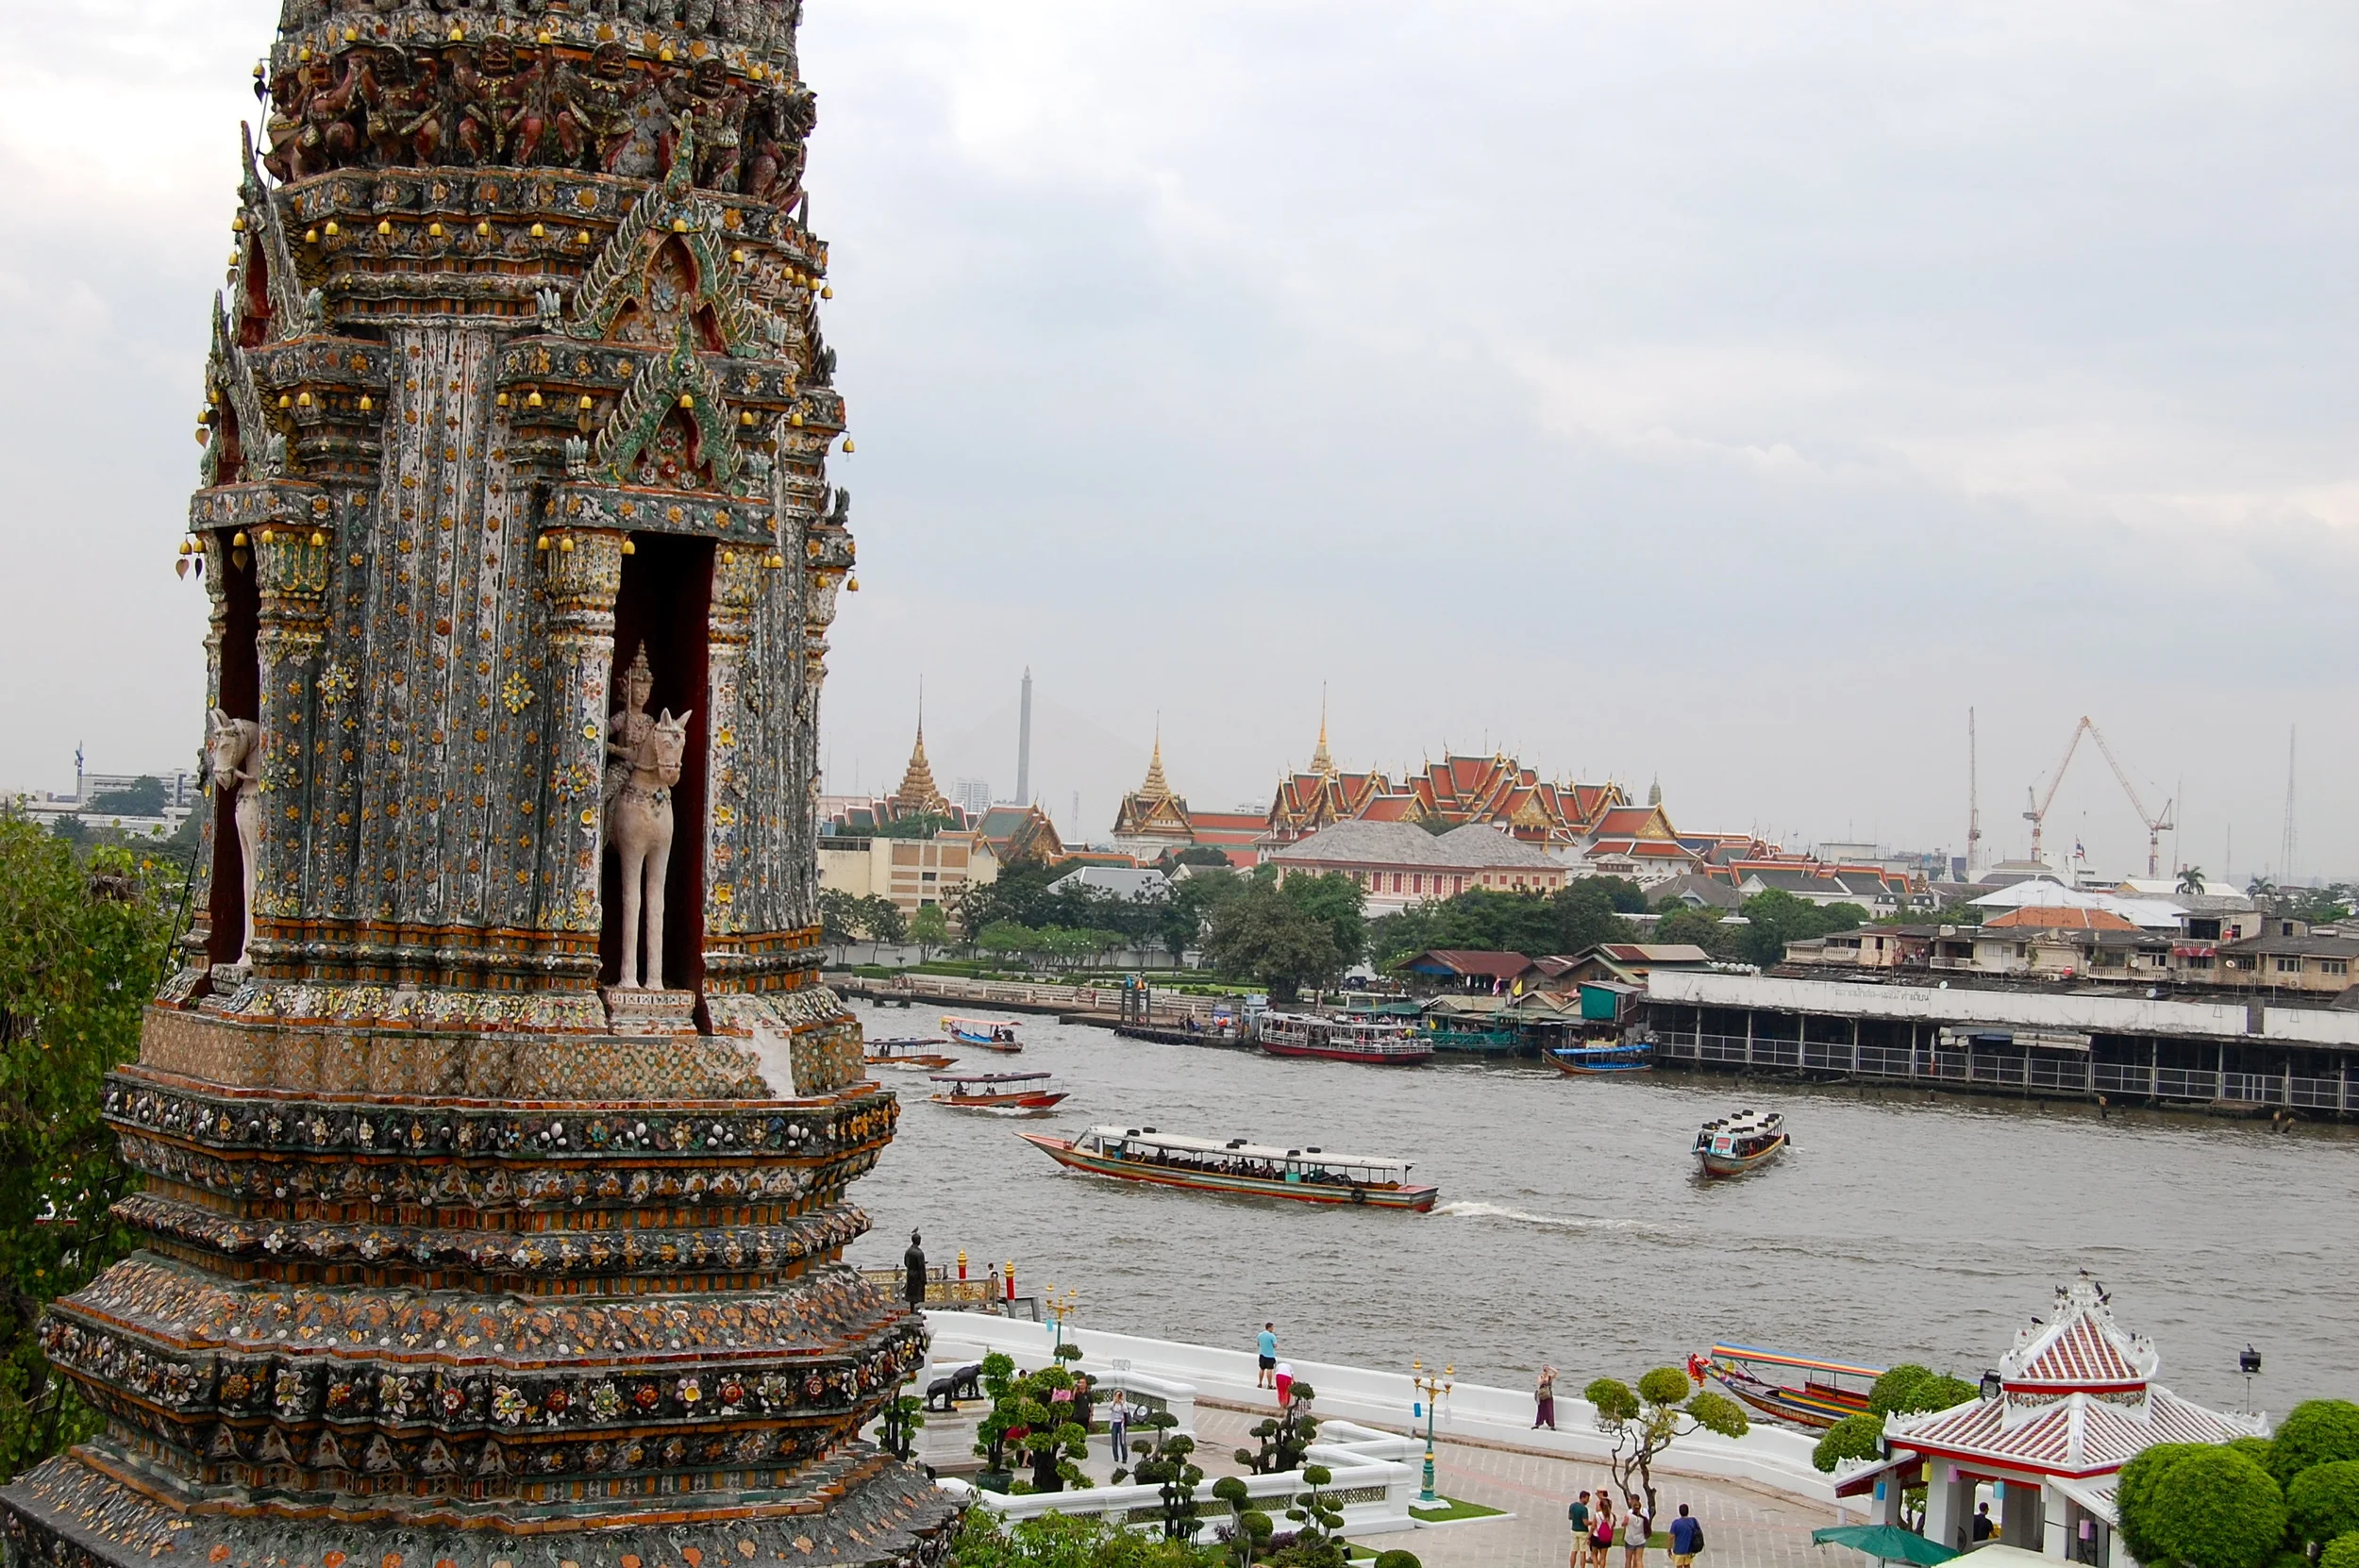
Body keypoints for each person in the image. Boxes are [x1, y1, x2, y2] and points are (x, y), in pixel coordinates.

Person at [1669, 1503, 1703, 1568]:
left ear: (1679, 1512)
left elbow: (1671, 1537)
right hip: (1689, 1549)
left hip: (1679, 1550)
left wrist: (1669, 1549)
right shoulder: (1693, 1521)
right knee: (1687, 1565)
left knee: (1679, 1566)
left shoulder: (1676, 1523)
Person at [1624, 1494, 1652, 1568]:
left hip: (1630, 1539)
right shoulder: (1645, 1512)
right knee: (1639, 1559)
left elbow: (1624, 1524)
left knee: (1628, 1559)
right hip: (1641, 1539)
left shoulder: (1629, 1513)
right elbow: (1647, 1523)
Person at [1568, 1490, 1593, 1568]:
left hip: (1574, 1530)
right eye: (1587, 1499)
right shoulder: (1584, 1509)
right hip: (1583, 1531)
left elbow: (1570, 1517)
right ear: (1583, 1498)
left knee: (1574, 1551)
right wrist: (1593, 1522)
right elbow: (1585, 1522)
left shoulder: (1572, 1506)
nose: (1587, 1501)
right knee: (1583, 1552)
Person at [902, 1230, 927, 1309]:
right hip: (917, 1276)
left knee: (911, 1294)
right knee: (916, 1293)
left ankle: (912, 1308)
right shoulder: (919, 1253)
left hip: (910, 1274)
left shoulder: (908, 1251)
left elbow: (905, 1263)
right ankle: (914, 1309)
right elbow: (921, 1267)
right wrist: (924, 1279)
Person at [1108, 1392, 1129, 1464]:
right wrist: (1114, 1401)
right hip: (1114, 1423)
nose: (1118, 1397)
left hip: (1121, 1424)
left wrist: (1121, 1402)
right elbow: (1109, 1407)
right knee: (1114, 1441)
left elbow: (1126, 1410)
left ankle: (1124, 1457)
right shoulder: (1113, 1403)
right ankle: (1116, 1457)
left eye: (1119, 1396)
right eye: (1117, 1395)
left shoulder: (1124, 1403)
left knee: (1122, 1441)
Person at [1535, 1364, 1559, 1430]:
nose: (1546, 1370)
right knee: (1541, 1410)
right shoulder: (1540, 1376)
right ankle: (1538, 1423)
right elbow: (1539, 1383)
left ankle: (1551, 1425)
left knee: (1550, 1410)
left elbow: (1556, 1372)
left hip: (1548, 1395)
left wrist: (1550, 1368)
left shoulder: (1550, 1377)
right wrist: (1544, 1378)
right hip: (1542, 1395)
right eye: (1545, 1369)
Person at [1257, 1323, 1278, 1389]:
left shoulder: (1260, 1335)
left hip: (1262, 1355)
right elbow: (1275, 1345)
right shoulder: (1272, 1336)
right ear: (1269, 1328)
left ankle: (1260, 1383)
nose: (1273, 1329)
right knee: (1269, 1369)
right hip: (1270, 1356)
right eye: (1272, 1327)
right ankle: (1269, 1384)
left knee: (1262, 1369)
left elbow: (1258, 1344)